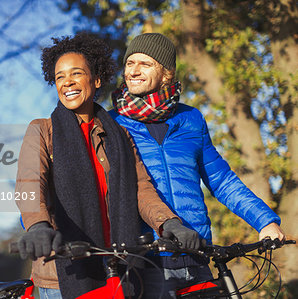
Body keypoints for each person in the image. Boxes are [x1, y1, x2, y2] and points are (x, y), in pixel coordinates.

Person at [15, 33, 197, 299]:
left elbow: (141, 190)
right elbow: (30, 183)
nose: (67, 82)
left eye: (76, 73)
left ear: (96, 79)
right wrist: (37, 227)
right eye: (59, 77)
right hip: (62, 273)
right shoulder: (42, 131)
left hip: (117, 268)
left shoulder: (119, 135)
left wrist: (169, 222)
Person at [109, 32, 286, 298]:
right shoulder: (112, 125)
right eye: (130, 63)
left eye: (145, 64)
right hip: (147, 258)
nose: (133, 71)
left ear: (167, 73)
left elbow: (222, 181)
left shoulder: (191, 120)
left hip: (197, 251)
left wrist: (264, 221)